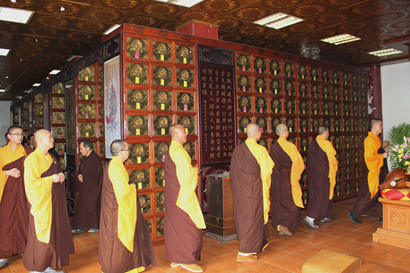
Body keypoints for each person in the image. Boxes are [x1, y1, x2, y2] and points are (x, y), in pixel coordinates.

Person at [99, 140, 156, 273]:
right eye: (128, 150)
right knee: (118, 239)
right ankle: (118, 267)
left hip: (114, 209)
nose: (129, 152)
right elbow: (123, 192)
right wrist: (132, 188)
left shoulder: (115, 164)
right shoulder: (116, 167)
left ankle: (131, 264)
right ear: (121, 152)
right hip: (117, 212)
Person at [23, 129, 74, 273]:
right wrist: (50, 179)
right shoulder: (32, 159)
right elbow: (31, 184)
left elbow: (56, 172)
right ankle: (39, 266)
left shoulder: (50, 157)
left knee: (55, 232)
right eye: (49, 137)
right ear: (40, 141)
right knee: (42, 234)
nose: (53, 139)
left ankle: (52, 263)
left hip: (55, 203)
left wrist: (60, 175)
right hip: (42, 205)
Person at [164, 124, 206, 272]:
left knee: (175, 226)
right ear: (175, 134)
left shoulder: (173, 149)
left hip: (172, 195)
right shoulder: (178, 152)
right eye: (183, 132)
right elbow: (186, 177)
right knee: (188, 226)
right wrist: (195, 171)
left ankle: (176, 258)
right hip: (181, 196)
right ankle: (186, 260)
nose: (186, 134)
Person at [230, 123, 274, 262]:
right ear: (257, 134)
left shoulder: (238, 150)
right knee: (252, 219)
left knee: (247, 218)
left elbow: (233, 172)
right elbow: (267, 171)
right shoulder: (260, 150)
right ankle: (245, 252)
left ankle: (260, 241)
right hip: (254, 191)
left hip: (241, 191)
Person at [0, 126, 29, 268]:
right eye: (15, 134)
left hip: (22, 192)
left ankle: (24, 247)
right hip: (7, 193)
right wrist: (7, 173)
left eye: (21, 134)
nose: (19, 136)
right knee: (6, 221)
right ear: (8, 136)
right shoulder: (1, 152)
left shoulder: (26, 152)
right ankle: (3, 252)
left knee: (23, 219)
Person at [349, 119, 387, 224]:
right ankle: (355, 212)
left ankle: (381, 214)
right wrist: (382, 156)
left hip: (378, 170)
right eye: (380, 126)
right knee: (369, 194)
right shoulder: (369, 140)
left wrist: (384, 150)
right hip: (372, 171)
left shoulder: (375, 139)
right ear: (374, 127)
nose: (382, 127)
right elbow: (369, 158)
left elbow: (377, 152)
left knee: (378, 193)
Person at [270, 124, 304, 236]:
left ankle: (280, 225)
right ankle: (284, 224)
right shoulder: (291, 146)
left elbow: (271, 166)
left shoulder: (273, 148)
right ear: (287, 132)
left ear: (276, 133)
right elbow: (300, 164)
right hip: (289, 178)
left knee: (278, 203)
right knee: (292, 203)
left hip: (277, 179)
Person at [304, 126, 338, 229]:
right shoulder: (326, 143)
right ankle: (311, 217)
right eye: (328, 132)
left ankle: (324, 215)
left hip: (314, 174)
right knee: (321, 195)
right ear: (325, 132)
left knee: (318, 194)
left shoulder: (312, 144)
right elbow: (332, 158)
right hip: (324, 174)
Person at [72, 139, 103, 234]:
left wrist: (84, 178)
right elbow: (81, 169)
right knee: (80, 206)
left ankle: (96, 226)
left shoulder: (95, 159)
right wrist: (79, 175)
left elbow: (94, 175)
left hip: (93, 189)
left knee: (92, 206)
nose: (80, 151)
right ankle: (80, 226)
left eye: (81, 149)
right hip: (84, 187)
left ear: (88, 148)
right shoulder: (85, 158)